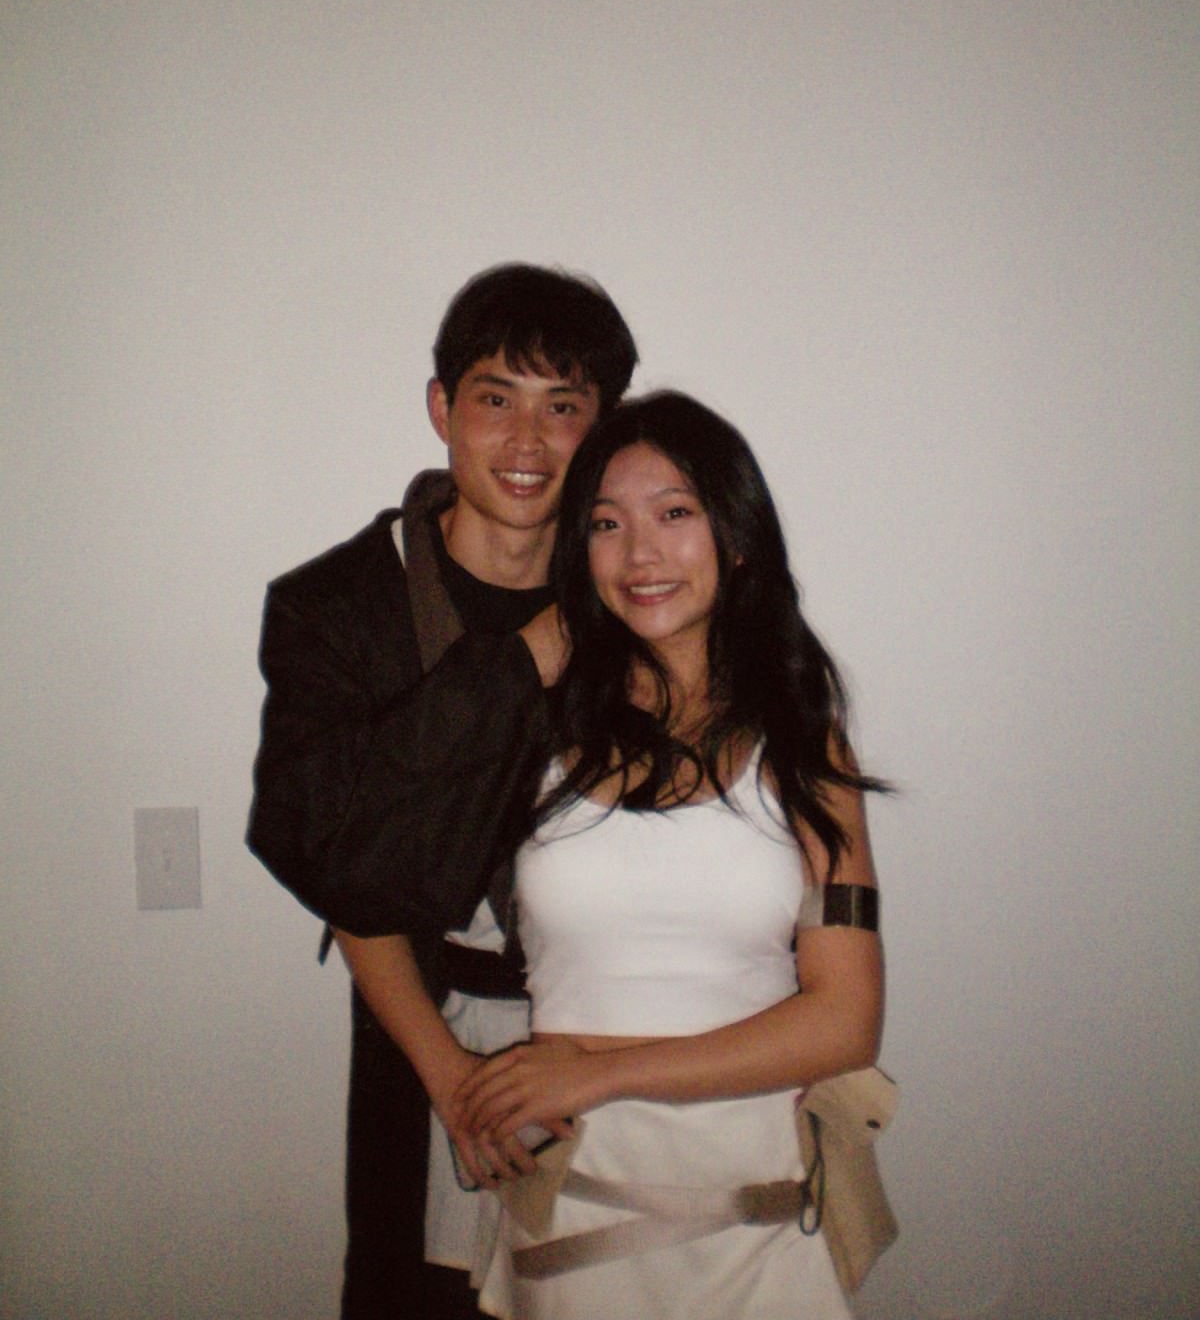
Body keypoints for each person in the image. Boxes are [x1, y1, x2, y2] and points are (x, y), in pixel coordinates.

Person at [246, 264, 638, 1320]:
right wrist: (451, 1078)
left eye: (563, 407)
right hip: (423, 1028)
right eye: (494, 398)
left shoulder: (635, 593)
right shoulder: (340, 607)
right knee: (419, 1297)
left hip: (613, 1042)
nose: (527, 440)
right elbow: (337, 853)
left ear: (602, 424)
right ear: (441, 408)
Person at [452, 391, 886, 1319]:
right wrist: (453, 1078)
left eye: (674, 514)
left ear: (737, 538)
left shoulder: (804, 743)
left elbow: (846, 1022)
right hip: (571, 1194)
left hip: (760, 1210)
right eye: (607, 524)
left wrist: (600, 1071)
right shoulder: (536, 725)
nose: (639, 554)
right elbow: (359, 879)